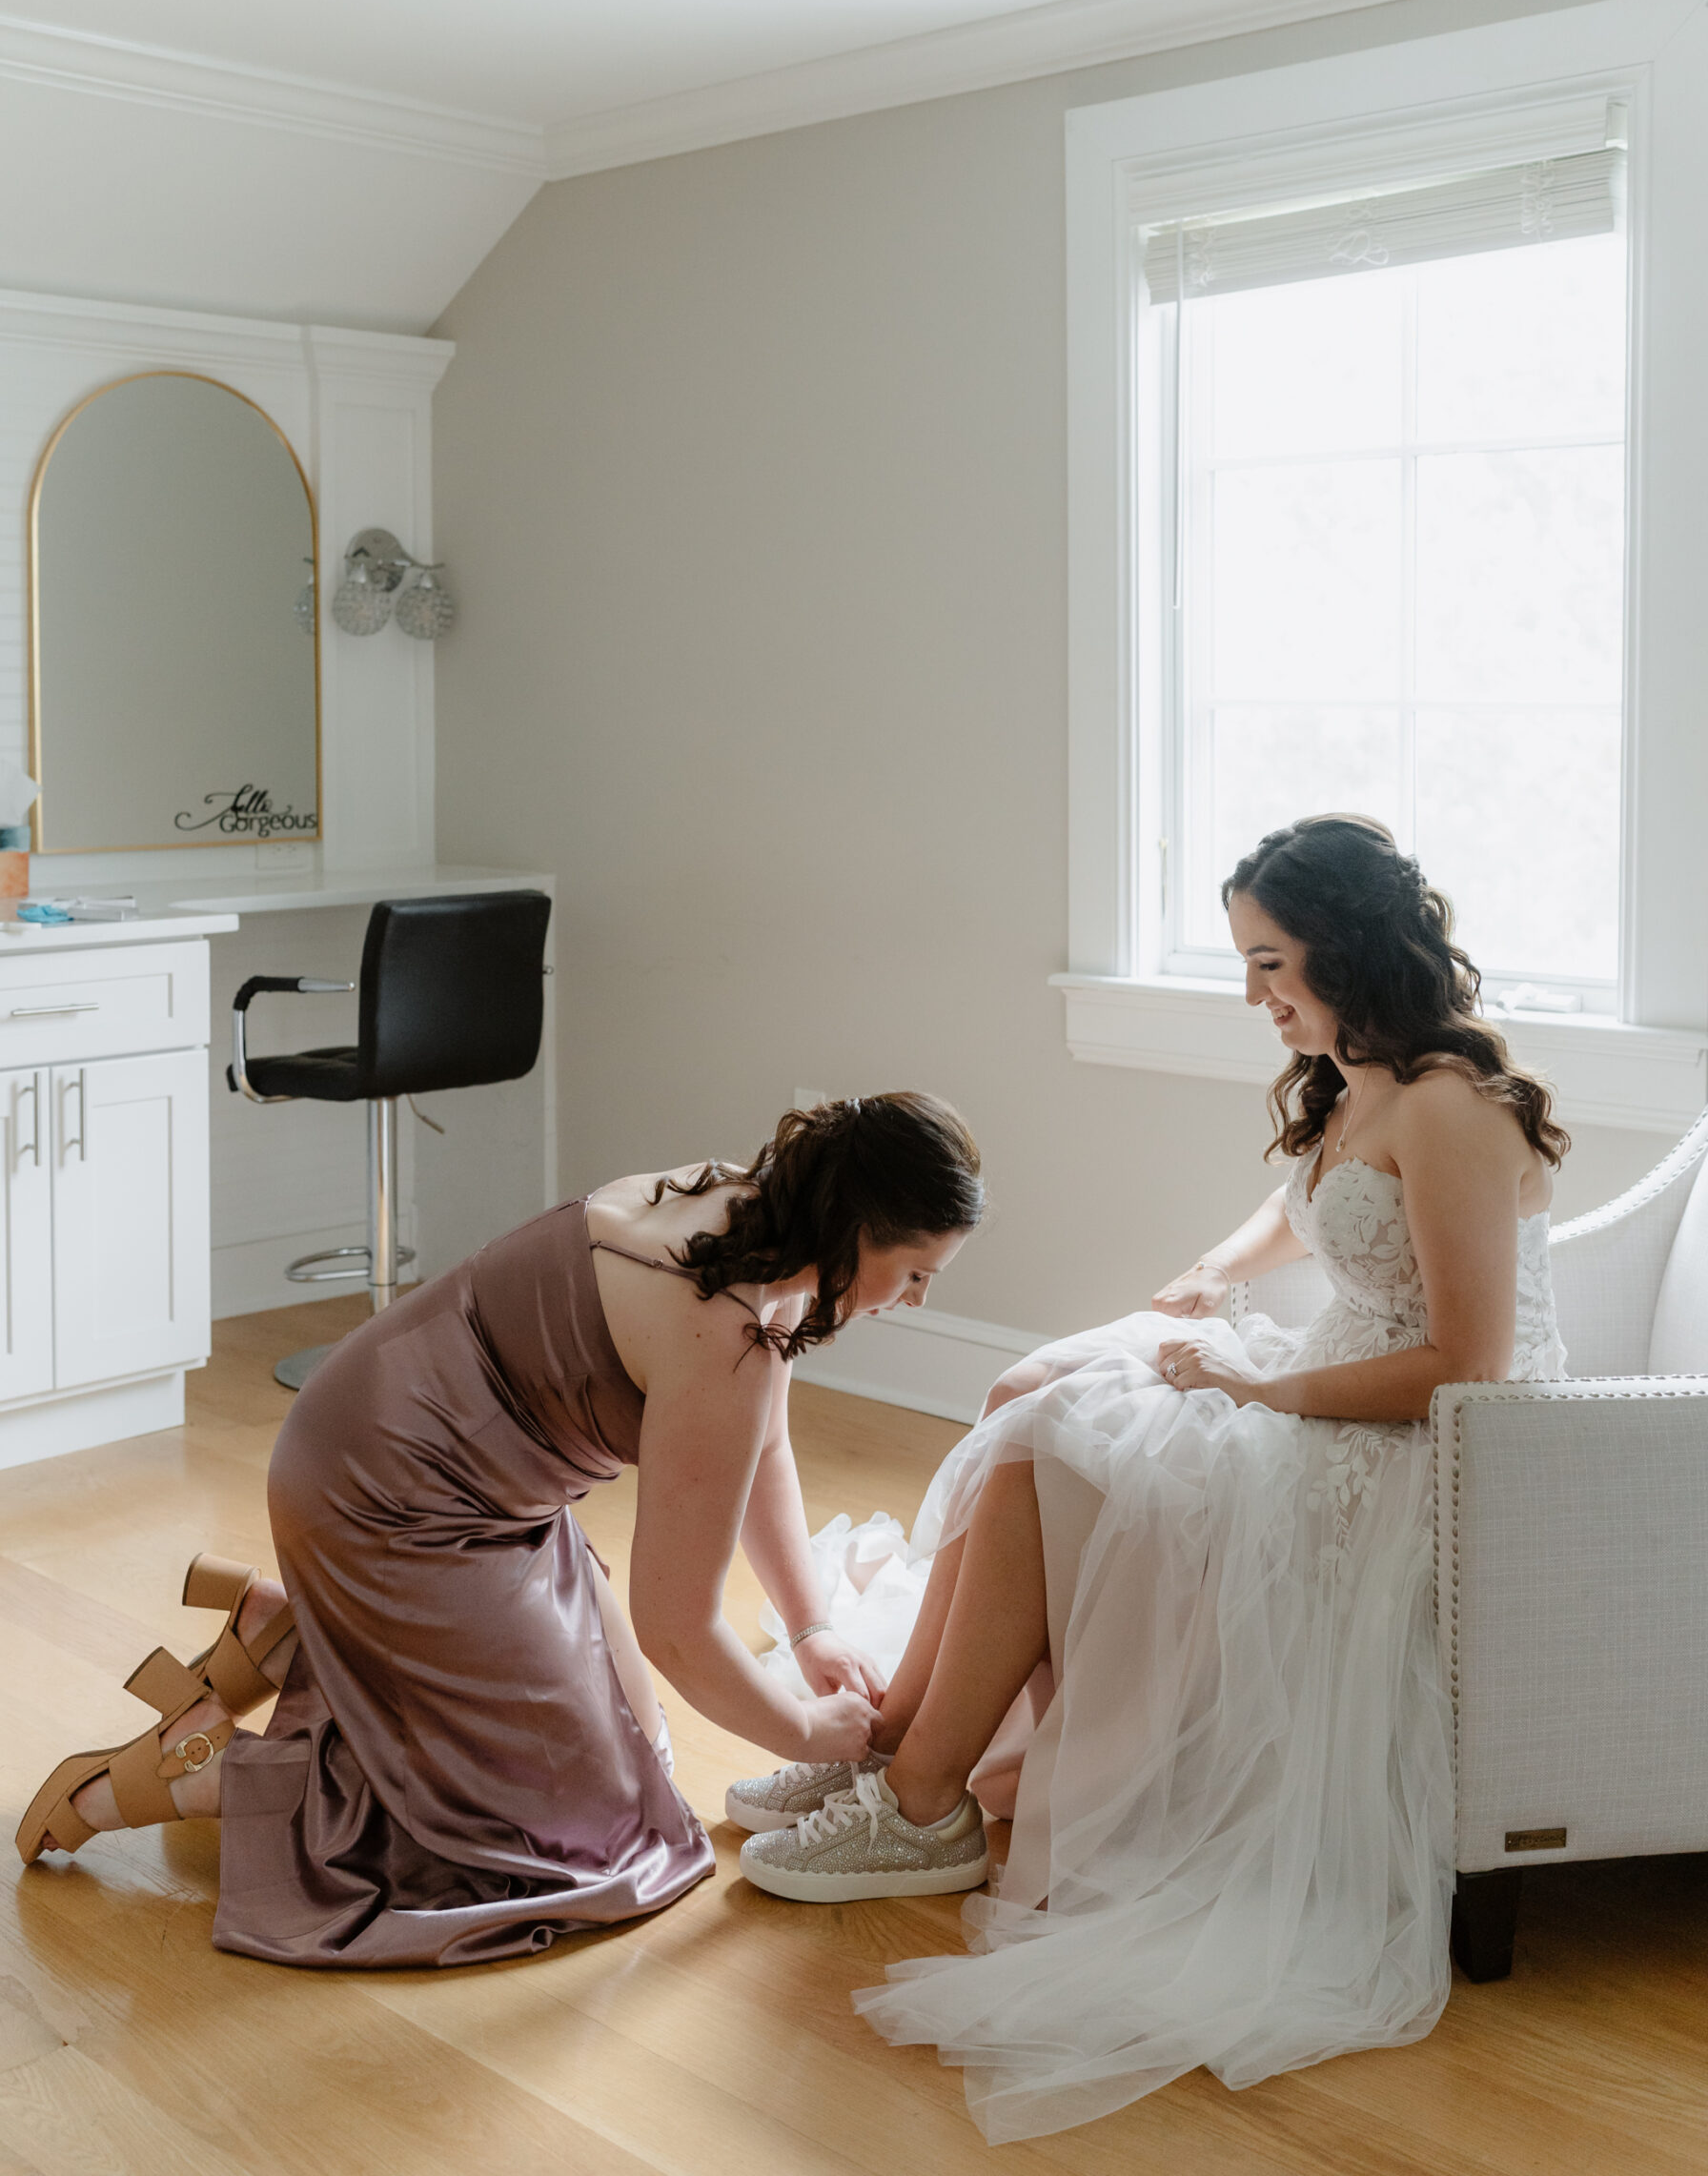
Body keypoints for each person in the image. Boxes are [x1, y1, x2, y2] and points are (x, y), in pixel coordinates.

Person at [729, 815, 1568, 2142]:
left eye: (1268, 960)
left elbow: (1466, 1363)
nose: (1252, 993)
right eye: (1246, 961)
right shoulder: (1357, 1073)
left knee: (1057, 1444)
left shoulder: (1451, 1103)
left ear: (1345, 945)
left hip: (1415, 1454)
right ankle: (897, 1750)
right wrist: (1213, 1279)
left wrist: (1260, 1388)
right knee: (1035, 1414)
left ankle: (922, 1798)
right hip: (1326, 1390)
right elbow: (1315, 1202)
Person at [17, 1092, 983, 1969]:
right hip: (392, 1502)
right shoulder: (719, 1325)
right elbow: (679, 1627)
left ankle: (291, 1633)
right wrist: (804, 1731)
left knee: (641, 1771)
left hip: (428, 1463)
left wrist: (809, 1632)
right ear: (854, 1230)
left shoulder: (737, 1211)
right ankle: (175, 1773)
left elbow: (761, 1447)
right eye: (912, 1273)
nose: (915, 1302)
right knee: (558, 1846)